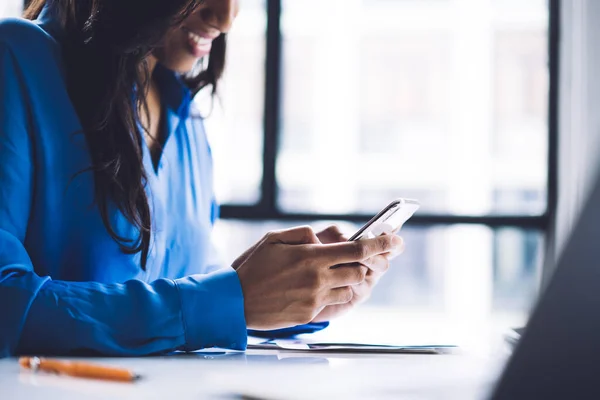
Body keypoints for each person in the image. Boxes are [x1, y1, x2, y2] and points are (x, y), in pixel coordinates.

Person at [0, 0, 404, 358]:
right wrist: (230, 300)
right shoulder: (16, 58)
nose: (227, 16)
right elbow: (7, 301)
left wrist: (301, 292)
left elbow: (184, 290)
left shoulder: (184, 114)